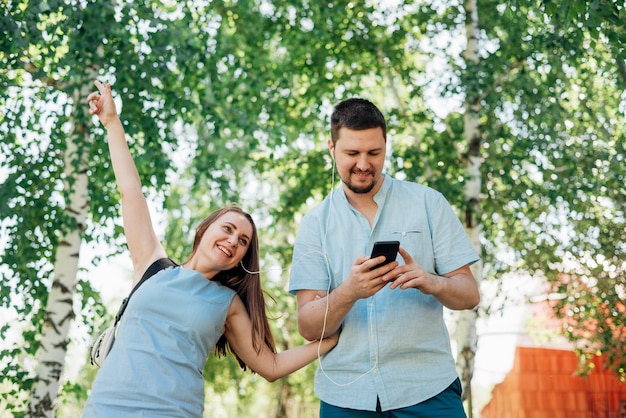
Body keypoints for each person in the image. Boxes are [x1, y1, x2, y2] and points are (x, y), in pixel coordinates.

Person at [83, 80, 338, 417]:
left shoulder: (227, 304)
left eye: (243, 242)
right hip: (106, 408)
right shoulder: (152, 265)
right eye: (228, 229)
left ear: (242, 258)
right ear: (204, 230)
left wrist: (330, 341)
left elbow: (271, 365)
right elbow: (131, 190)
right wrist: (112, 124)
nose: (233, 241)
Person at [288, 98, 480, 417]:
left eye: (374, 153)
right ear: (331, 147)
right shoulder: (315, 224)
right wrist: (350, 291)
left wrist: (431, 282)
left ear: (386, 145)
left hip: (427, 388)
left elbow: (469, 294)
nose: (364, 164)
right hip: (346, 395)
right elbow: (308, 326)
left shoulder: (429, 203)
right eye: (352, 153)